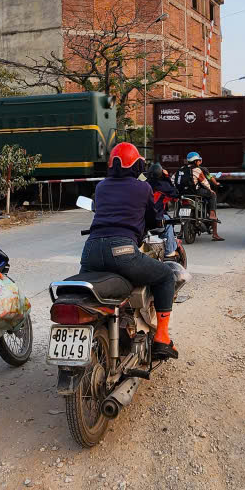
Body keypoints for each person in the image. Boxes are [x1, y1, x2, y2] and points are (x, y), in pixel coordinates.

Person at [83, 143, 180, 360]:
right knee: (165, 276)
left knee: (89, 291)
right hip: (123, 250)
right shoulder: (143, 188)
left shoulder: (100, 187)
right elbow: (153, 219)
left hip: (90, 250)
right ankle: (162, 338)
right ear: (137, 166)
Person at [174, 152, 225, 241]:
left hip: (182, 193)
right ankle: (212, 215)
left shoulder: (181, 169)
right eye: (199, 160)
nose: (200, 161)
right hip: (195, 192)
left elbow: (173, 180)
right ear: (196, 161)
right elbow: (206, 180)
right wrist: (211, 189)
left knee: (179, 202)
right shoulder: (200, 169)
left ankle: (181, 231)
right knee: (212, 195)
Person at [147, 162, 181, 259]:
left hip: (141, 217)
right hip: (155, 217)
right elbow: (175, 193)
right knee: (168, 223)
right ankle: (169, 251)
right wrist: (167, 177)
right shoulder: (163, 185)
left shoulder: (144, 183)